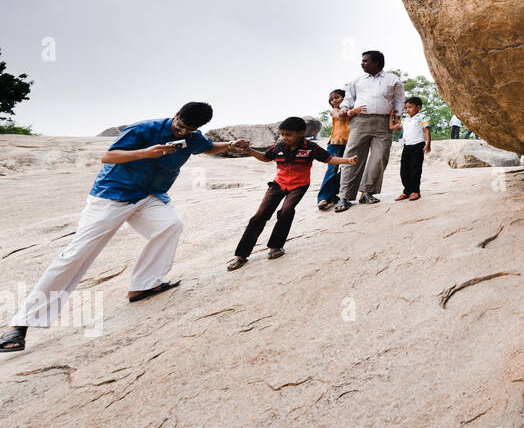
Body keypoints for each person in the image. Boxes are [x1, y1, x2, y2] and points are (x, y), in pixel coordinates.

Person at [1, 103, 250, 354]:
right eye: (181, 126)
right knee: (77, 254)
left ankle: (143, 285)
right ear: (176, 116)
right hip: (112, 196)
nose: (183, 132)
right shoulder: (143, 129)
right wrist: (146, 153)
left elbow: (206, 147)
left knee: (170, 225)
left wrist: (229, 145)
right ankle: (20, 325)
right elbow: (109, 156)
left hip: (148, 196)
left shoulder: (192, 137)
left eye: (190, 129)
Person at [227, 118, 356, 271]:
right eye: (282, 134)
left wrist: (347, 161)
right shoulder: (279, 146)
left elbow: (329, 159)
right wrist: (249, 150)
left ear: (301, 133)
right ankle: (241, 255)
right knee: (259, 215)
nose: (284, 138)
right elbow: (265, 157)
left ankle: (276, 246)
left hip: (298, 186)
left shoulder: (311, 148)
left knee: (286, 211)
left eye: (288, 135)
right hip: (278, 184)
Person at [335, 50, 405, 212]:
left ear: (377, 63)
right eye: (362, 61)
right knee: (352, 157)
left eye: (366, 61)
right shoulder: (357, 81)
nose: (362, 63)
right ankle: (344, 196)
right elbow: (348, 100)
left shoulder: (393, 80)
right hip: (360, 122)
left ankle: (367, 192)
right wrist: (345, 109)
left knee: (380, 157)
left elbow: (399, 101)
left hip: (383, 123)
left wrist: (396, 118)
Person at [317, 88, 350, 211]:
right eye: (331, 99)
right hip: (335, 143)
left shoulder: (351, 110)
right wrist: (346, 111)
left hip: (349, 143)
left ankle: (332, 194)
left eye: (337, 97)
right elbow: (339, 116)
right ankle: (323, 197)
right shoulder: (334, 111)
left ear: (345, 98)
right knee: (332, 169)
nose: (334, 101)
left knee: (347, 169)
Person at [395, 98, 432, 201]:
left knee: (415, 169)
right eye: (406, 108)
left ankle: (415, 191)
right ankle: (406, 191)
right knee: (404, 170)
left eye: (410, 107)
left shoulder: (422, 117)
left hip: (418, 145)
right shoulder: (405, 120)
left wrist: (428, 143)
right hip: (407, 147)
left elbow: (426, 130)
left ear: (418, 107)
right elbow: (393, 126)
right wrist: (392, 115)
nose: (407, 110)